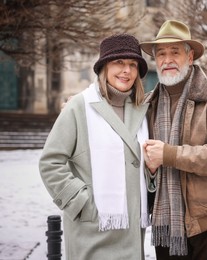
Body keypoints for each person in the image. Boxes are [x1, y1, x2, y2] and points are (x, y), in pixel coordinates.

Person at [39, 34, 151, 260]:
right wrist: (80, 203)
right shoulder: (80, 106)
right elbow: (50, 162)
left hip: (131, 231)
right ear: (103, 67)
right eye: (118, 62)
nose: (126, 71)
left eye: (132, 64)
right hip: (92, 230)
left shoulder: (142, 108)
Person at [140, 20, 207, 259]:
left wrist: (169, 154)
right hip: (167, 226)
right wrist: (79, 106)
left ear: (190, 56)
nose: (167, 60)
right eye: (161, 54)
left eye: (175, 52)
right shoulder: (147, 105)